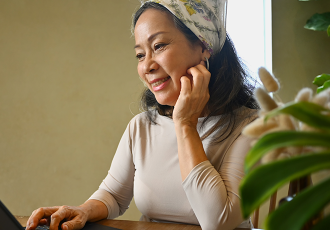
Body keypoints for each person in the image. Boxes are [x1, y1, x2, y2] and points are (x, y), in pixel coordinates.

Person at [25, 1, 259, 230]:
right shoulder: (141, 127)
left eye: (158, 46)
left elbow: (219, 221)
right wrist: (83, 210)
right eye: (140, 55)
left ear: (203, 46)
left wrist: (185, 124)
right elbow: (114, 195)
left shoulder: (251, 126)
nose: (147, 66)